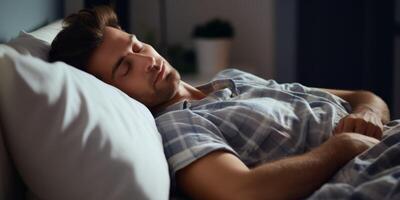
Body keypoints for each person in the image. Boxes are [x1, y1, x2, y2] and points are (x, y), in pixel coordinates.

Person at [49, 6, 390, 199]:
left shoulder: (233, 77)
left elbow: (361, 96)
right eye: (124, 67)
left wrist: (369, 111)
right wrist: (342, 147)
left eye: (137, 47)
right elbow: (243, 193)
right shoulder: (179, 126)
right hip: (369, 173)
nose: (146, 61)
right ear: (113, 93)